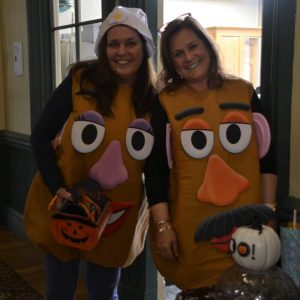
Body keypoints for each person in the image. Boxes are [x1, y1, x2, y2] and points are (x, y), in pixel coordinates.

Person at [24, 6, 157, 300]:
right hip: (65, 202)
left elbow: (159, 164)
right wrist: (57, 188)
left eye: (130, 43)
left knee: (104, 293)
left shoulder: (154, 98)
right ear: (103, 49)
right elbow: (41, 136)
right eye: (113, 43)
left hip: (116, 210)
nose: (121, 51)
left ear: (144, 47)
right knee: (59, 291)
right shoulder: (80, 80)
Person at [144, 14, 278, 299]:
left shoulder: (243, 91)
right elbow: (154, 171)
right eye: (178, 53)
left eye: (193, 47)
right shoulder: (165, 102)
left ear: (207, 46)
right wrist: (163, 226)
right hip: (192, 225)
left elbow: (267, 157)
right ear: (171, 62)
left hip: (248, 221)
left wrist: (269, 212)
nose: (188, 57)